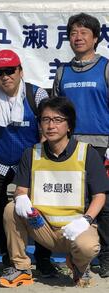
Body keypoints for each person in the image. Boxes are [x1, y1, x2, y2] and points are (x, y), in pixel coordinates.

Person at [0, 97, 109, 288]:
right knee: (11, 209)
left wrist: (86, 220)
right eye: (45, 119)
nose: (50, 125)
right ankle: (22, 268)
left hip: (76, 228)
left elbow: (100, 195)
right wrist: (21, 197)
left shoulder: (87, 153)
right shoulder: (31, 153)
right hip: (43, 227)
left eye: (58, 120)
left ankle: (79, 266)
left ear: (69, 125)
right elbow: (21, 190)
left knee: (88, 247)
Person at [0, 49, 50, 275]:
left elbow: (47, 128)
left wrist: (37, 162)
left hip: (28, 164)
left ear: (20, 71)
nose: (5, 76)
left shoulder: (36, 94)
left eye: (10, 71)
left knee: (39, 210)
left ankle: (43, 259)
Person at [52, 12, 109, 278]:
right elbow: (53, 109)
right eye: (73, 33)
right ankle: (76, 257)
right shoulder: (62, 71)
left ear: (96, 38)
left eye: (84, 32)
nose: (78, 37)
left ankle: (105, 257)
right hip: (69, 146)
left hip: (101, 145)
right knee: (72, 201)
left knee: (103, 203)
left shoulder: (106, 68)